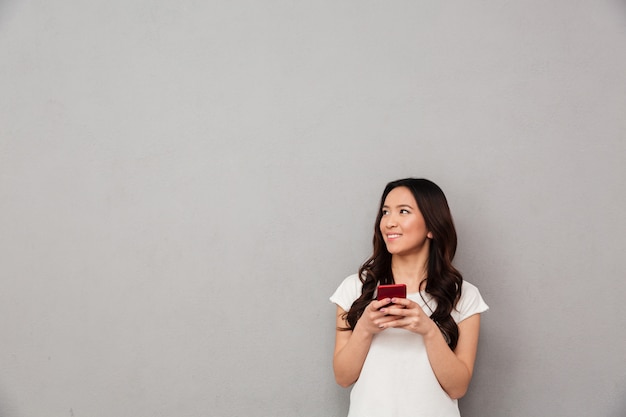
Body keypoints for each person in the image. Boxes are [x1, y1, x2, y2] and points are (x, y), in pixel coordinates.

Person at [330, 178, 488, 417]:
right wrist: (365, 327)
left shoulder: (463, 295)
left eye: (403, 211)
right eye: (385, 212)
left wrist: (428, 330)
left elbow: (458, 387)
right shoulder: (355, 289)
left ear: (432, 227)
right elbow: (343, 377)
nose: (389, 222)